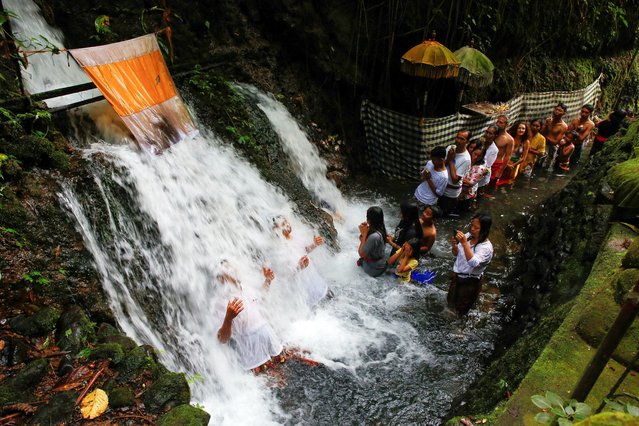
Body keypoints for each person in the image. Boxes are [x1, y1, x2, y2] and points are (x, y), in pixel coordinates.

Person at [216, 260, 284, 372]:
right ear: (222, 279)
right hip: (252, 355)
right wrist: (228, 318)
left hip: (270, 342)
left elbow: (261, 302)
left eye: (234, 268)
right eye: (229, 271)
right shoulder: (221, 302)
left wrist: (267, 281)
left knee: (284, 374)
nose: (235, 272)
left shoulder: (246, 287)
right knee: (271, 383)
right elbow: (222, 339)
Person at [272, 216, 330, 306]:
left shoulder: (294, 236)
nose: (288, 225)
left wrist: (315, 244)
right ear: (276, 229)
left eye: (286, 221)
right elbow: (286, 277)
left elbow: (305, 250)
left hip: (317, 283)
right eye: (283, 224)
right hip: (306, 293)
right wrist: (300, 267)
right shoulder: (279, 249)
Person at [447, 213, 494, 316]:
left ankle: (460, 327)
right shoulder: (468, 236)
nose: (472, 229)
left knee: (460, 310)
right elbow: (456, 254)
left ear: (484, 230)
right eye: (471, 225)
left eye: (476, 227)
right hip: (457, 275)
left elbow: (473, 262)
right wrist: (454, 245)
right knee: (450, 302)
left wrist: (464, 243)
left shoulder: (486, 248)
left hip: (470, 281)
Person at [438, 129, 472, 215]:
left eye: (462, 139)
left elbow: (455, 179)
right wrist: (448, 159)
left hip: (450, 193)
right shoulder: (450, 148)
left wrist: (450, 160)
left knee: (444, 214)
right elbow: (440, 166)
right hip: (441, 187)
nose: (458, 141)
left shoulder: (466, 159)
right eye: (457, 137)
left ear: (467, 141)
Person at [357, 206, 388, 277]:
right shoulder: (381, 229)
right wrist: (363, 233)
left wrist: (364, 234)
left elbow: (361, 254)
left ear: (369, 219)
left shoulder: (374, 236)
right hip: (378, 264)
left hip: (373, 269)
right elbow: (362, 240)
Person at [497, 121, 529, 186]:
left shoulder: (526, 142)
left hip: (514, 165)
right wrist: (506, 163)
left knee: (508, 182)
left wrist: (513, 165)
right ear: (516, 129)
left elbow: (523, 158)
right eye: (519, 128)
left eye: (523, 129)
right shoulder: (510, 138)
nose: (521, 130)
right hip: (504, 161)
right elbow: (503, 151)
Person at [459, 146, 490, 211]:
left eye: (479, 156)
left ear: (482, 157)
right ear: (472, 152)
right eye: (475, 154)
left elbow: (470, 183)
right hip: (459, 192)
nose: (476, 157)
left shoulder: (480, 168)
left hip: (468, 194)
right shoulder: (466, 161)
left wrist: (459, 178)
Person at [541, 103, 568, 169]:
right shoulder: (548, 120)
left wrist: (544, 136)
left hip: (552, 148)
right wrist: (546, 125)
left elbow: (555, 142)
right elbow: (541, 133)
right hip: (543, 144)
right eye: (556, 109)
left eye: (559, 110)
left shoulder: (563, 126)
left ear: (564, 113)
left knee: (547, 166)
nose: (557, 112)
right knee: (538, 164)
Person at [489, 115, 514, 186]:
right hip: (487, 161)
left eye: (501, 122)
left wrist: (500, 171)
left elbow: (508, 156)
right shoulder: (492, 134)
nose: (498, 124)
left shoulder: (509, 139)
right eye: (497, 122)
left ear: (506, 124)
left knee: (492, 183)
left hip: (497, 164)